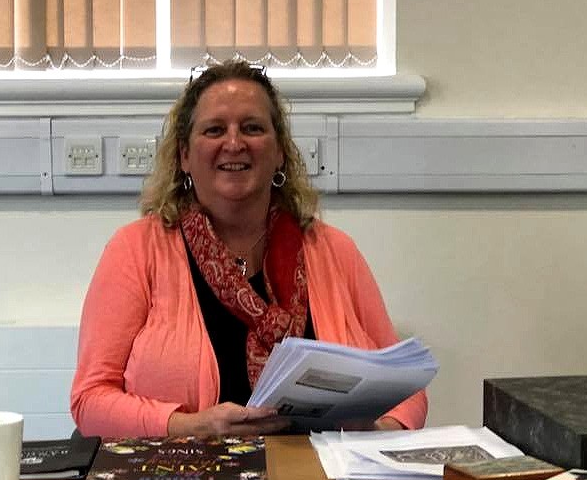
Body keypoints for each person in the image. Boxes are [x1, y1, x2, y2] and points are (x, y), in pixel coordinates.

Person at [70, 60, 427, 438]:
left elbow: (407, 387)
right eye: (214, 129)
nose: (234, 143)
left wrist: (378, 429)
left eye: (253, 128)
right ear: (185, 156)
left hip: (317, 479)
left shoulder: (333, 250)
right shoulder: (135, 250)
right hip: (185, 479)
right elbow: (89, 401)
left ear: (279, 153)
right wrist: (190, 426)